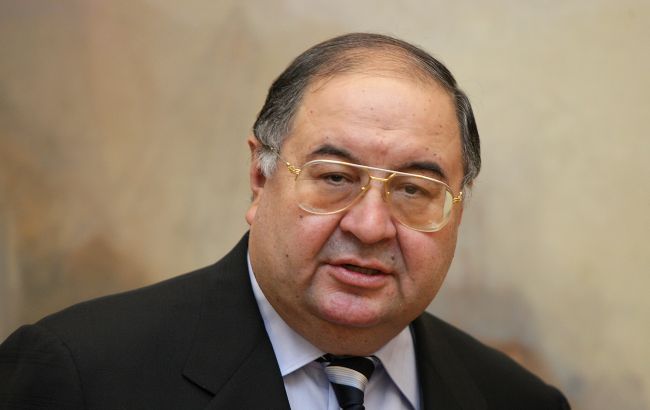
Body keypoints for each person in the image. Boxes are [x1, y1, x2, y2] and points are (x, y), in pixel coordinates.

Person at [0, 33, 570, 409]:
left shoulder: (518, 401)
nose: (371, 226)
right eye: (335, 177)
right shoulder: (80, 374)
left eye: (413, 190)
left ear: (457, 211)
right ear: (260, 177)